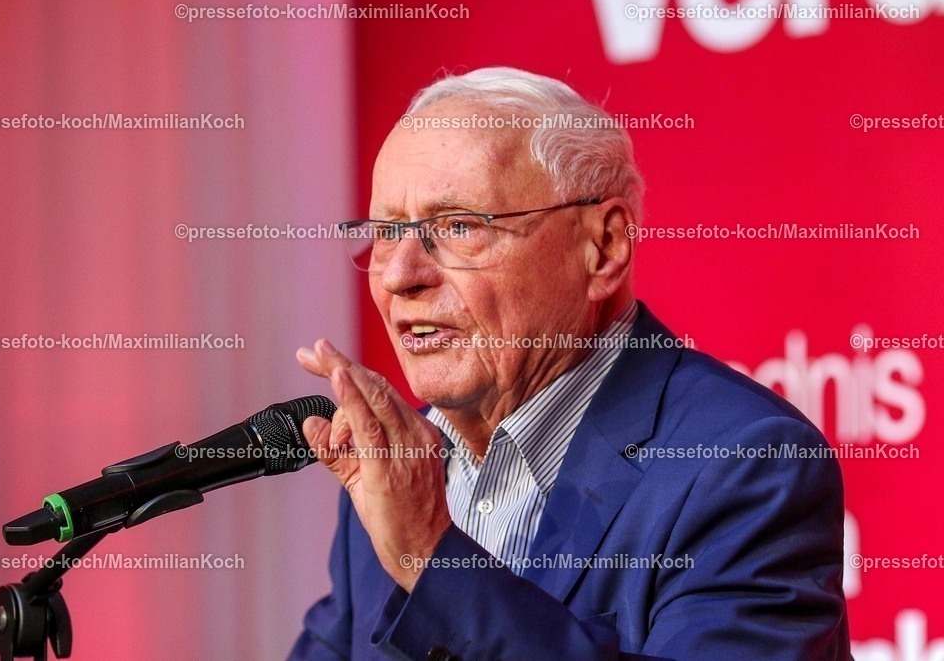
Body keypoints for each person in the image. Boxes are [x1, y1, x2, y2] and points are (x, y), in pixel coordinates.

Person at [290, 67, 849, 660]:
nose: (400, 275)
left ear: (603, 249)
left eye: (456, 226)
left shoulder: (741, 465)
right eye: (385, 232)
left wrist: (432, 556)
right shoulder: (398, 473)